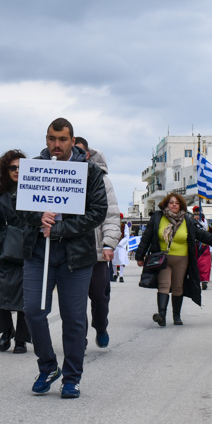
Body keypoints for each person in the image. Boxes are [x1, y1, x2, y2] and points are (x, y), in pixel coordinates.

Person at [19, 118, 107, 398]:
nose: (56, 145)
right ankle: (47, 366)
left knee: (74, 319)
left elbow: (98, 212)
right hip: (38, 251)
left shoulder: (90, 172)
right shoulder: (34, 167)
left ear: (72, 140)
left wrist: (60, 228)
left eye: (62, 139)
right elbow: (19, 207)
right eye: (51, 139)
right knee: (33, 311)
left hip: (75, 255)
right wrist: (38, 216)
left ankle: (72, 377)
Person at [136, 192, 212, 327]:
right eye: (171, 203)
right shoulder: (157, 218)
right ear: (166, 204)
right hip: (163, 259)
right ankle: (162, 315)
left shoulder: (187, 221)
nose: (174, 205)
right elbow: (146, 238)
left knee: (178, 286)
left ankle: (176, 316)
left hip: (182, 260)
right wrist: (139, 256)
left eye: (177, 203)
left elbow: (203, 235)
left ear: (181, 206)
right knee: (164, 284)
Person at [0, 149, 30, 354]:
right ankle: (6, 330)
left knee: (24, 295)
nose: (17, 171)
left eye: (21, 167)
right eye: (13, 167)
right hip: (2, 248)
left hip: (26, 248)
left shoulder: (34, 193)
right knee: (1, 292)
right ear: (5, 170)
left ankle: (21, 338)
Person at [84, 145, 120, 348]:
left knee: (99, 296)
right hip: (70, 251)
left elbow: (111, 214)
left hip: (96, 251)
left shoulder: (102, 180)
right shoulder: (63, 175)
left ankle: (101, 326)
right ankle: (78, 338)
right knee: (74, 301)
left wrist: (108, 243)